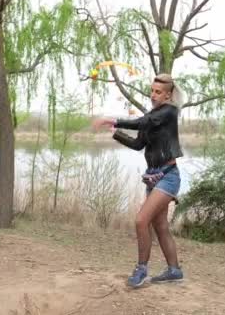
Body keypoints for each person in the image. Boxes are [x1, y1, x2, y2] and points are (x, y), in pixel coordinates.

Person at [93, 73, 185, 288]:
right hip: (153, 179)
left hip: (168, 176)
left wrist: (113, 119)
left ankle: (141, 269)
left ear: (169, 95)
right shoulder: (153, 115)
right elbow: (138, 145)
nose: (153, 95)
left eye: (158, 92)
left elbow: (143, 122)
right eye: (152, 91)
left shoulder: (169, 112)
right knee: (160, 226)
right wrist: (117, 133)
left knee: (141, 220)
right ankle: (174, 271)